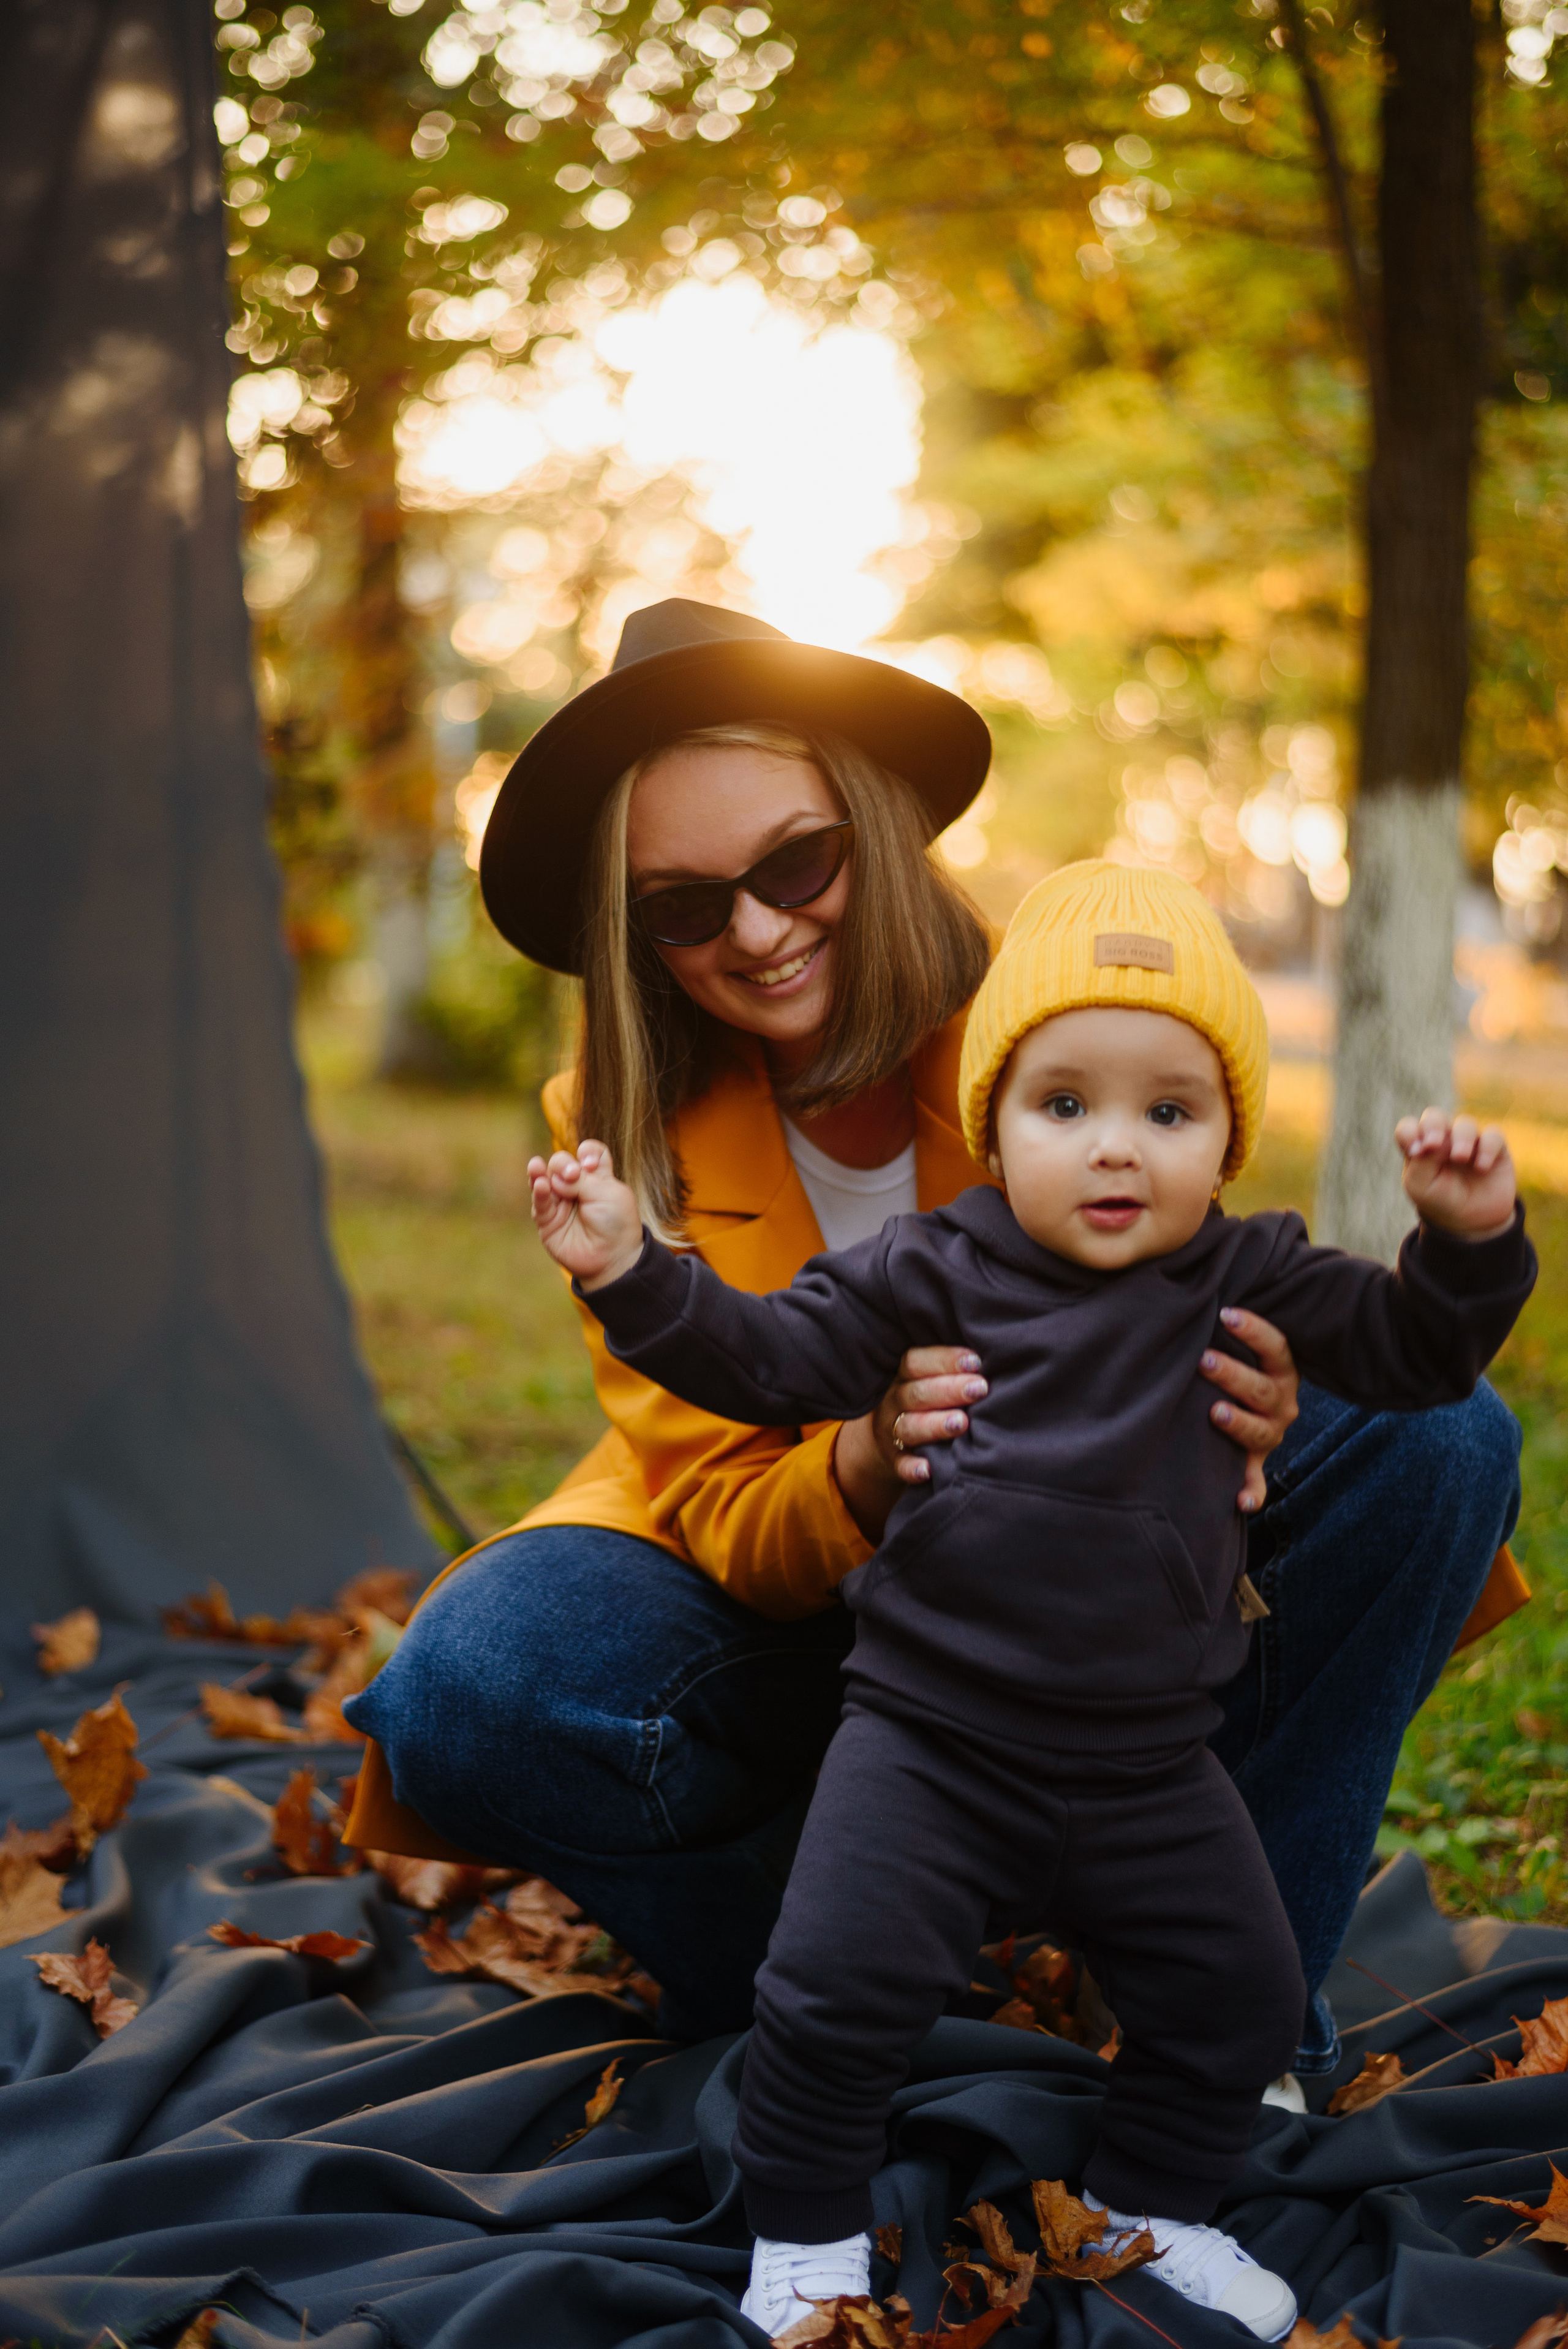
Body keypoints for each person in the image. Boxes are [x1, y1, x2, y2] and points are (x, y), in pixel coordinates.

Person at [342, 596, 1525, 2094]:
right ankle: (830, 2001)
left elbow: (1195, 1258)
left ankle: (1220, 2008)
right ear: (633, 934)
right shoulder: (614, 1123)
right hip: (796, 1601)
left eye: (791, 863)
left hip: (1079, 1580)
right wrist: (861, 1460)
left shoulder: (1058, 1024)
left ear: (871, 823)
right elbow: (716, 1500)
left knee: (1437, 1434)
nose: (757, 933)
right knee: (475, 1683)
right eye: (685, 906)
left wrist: (1260, 1386)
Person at [529, 860, 1536, 2339]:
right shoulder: (934, 1265)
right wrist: (627, 1269)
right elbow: (764, 1361)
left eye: (1166, 1112)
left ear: (1226, 1138)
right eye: (1063, 1106)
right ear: (991, 1126)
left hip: (1145, 1760)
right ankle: (803, 2238)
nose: (1113, 1150)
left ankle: (1146, 2204)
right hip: (932, 1742)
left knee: (1236, 1996)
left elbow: (1413, 1362)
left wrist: (1464, 1243)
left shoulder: (1248, 1273)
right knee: (831, 1993)